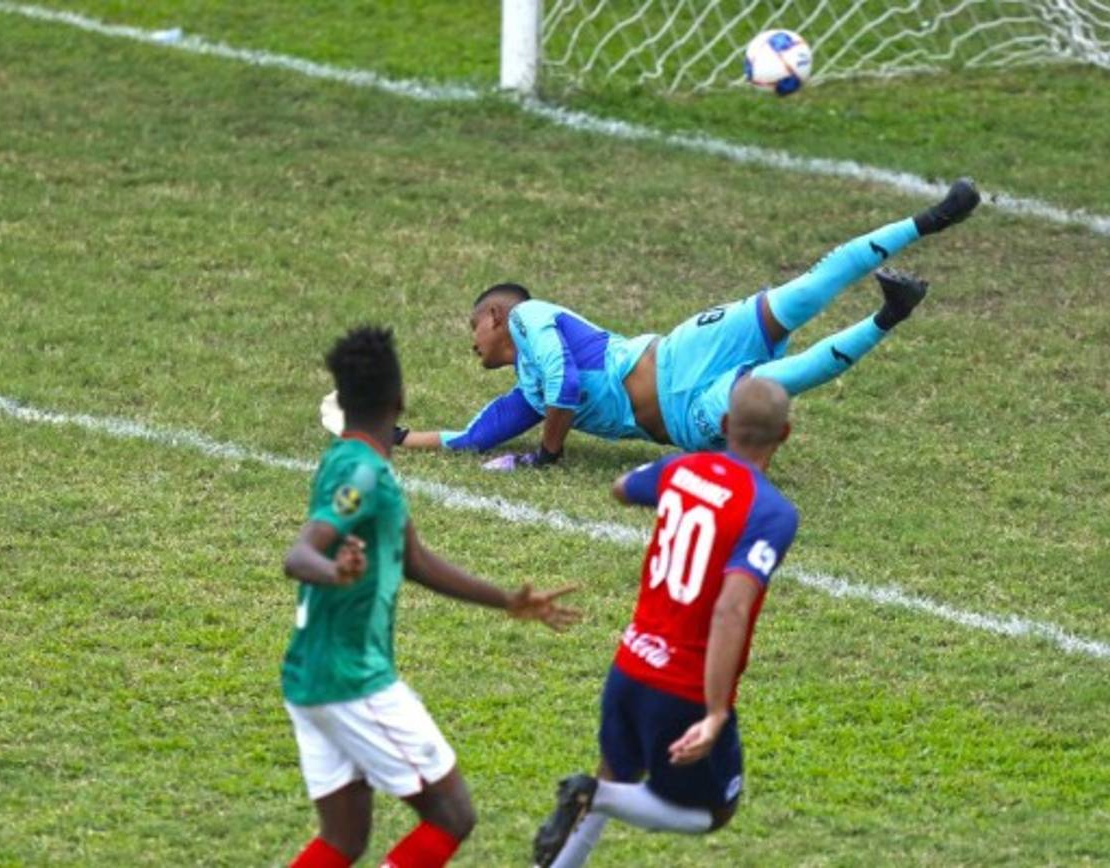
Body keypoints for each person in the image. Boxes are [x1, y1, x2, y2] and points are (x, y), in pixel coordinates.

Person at [324, 179, 978, 467]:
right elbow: (475, 437)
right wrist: (390, 435)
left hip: (680, 357)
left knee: (801, 293)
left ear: (496, 314)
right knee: (783, 380)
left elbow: (566, 390)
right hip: (690, 406)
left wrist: (550, 455)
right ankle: (888, 315)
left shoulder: (530, 318)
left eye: (475, 327)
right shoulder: (527, 389)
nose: (473, 343)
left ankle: (930, 220)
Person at [281, 325, 579, 868]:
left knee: (343, 840)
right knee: (451, 815)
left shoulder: (347, 460)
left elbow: (415, 561)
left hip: (310, 676)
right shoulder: (364, 472)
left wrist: (506, 600)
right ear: (399, 400)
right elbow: (300, 555)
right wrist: (332, 570)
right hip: (353, 680)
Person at [531, 376, 799, 867]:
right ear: (784, 434)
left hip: (630, 666)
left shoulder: (682, 468)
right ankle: (595, 794)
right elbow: (731, 607)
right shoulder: (772, 512)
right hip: (684, 688)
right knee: (713, 811)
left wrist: (677, 485)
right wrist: (716, 712)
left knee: (614, 770)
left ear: (723, 425)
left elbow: (621, 488)